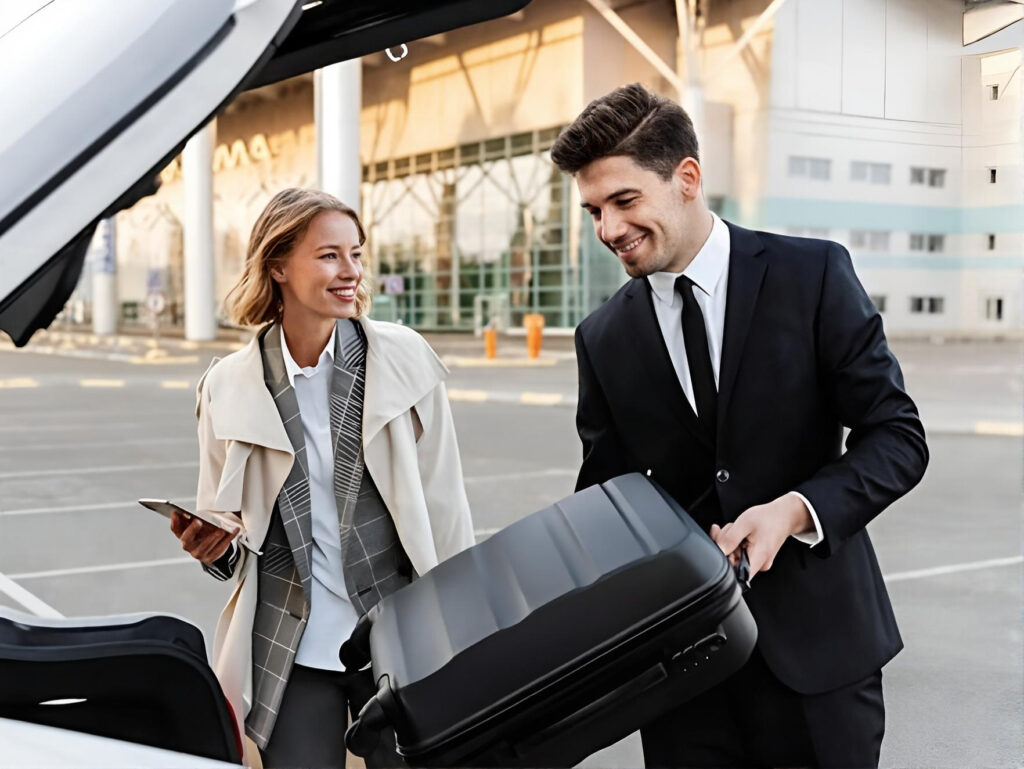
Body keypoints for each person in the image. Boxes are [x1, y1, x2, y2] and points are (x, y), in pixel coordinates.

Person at [550, 83, 928, 768]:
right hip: (683, 679)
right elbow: (608, 500)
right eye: (594, 210)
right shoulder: (600, 336)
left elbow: (898, 435)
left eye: (624, 201)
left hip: (820, 662)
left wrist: (796, 509)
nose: (607, 229)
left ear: (687, 178)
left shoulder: (810, 275)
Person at [169, 187, 475, 768]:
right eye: (329, 255)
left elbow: (446, 506)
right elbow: (225, 531)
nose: (351, 272)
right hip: (293, 648)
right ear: (278, 266)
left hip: (401, 635)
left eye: (356, 254)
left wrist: (464, 627)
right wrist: (210, 546)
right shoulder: (226, 386)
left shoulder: (405, 360)